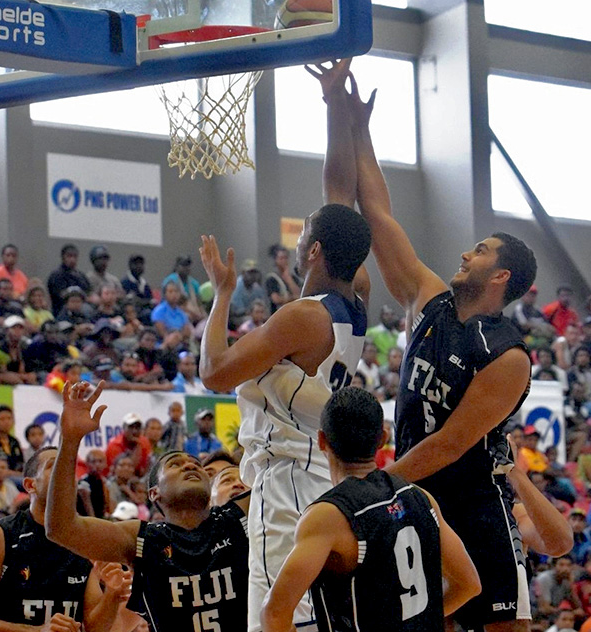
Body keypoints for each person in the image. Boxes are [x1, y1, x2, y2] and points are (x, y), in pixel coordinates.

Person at [325, 59, 537, 630]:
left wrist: (380, 480)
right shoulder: (431, 298)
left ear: (501, 277)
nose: (467, 253)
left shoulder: (508, 356)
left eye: (481, 250)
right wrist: (355, 124)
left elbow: (449, 444)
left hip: (472, 504)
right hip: (418, 498)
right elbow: (378, 214)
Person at [199, 58, 371, 632]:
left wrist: (222, 295)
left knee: (277, 623)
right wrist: (335, 108)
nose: (297, 241)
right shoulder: (358, 293)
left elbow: (216, 373)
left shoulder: (302, 317)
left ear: (314, 250)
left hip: (286, 484)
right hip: (318, 474)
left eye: (305, 234)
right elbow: (340, 195)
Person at [260, 387, 481, 632]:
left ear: (322, 440)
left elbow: (274, 612)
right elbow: (469, 584)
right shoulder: (421, 498)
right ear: (382, 438)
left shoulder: (328, 516)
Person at [45, 381, 251, 632]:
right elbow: (60, 528)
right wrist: (70, 441)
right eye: (175, 464)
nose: (189, 465)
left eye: (196, 464)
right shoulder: (143, 538)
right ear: (154, 493)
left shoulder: (237, 515)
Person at [0, 445, 132, 632]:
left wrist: (112, 595)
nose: (65, 471)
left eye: (69, 467)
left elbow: (94, 628)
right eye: (54, 465)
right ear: (30, 485)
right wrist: (37, 631)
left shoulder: (86, 539)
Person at [47, 244, 92, 315]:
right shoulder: (56, 276)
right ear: (63, 257)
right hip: (62, 313)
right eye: (69, 256)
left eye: (75, 256)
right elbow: (61, 297)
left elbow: (89, 292)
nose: (72, 259)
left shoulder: (81, 276)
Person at [105, 412, 152, 478]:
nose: (134, 431)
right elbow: (124, 471)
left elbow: (146, 468)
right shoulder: (115, 445)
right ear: (124, 428)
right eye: (131, 427)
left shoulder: (144, 441)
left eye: (137, 428)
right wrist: (137, 447)